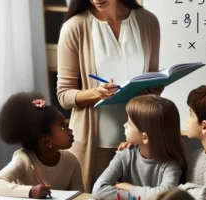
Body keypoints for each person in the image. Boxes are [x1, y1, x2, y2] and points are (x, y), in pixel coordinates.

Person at [56, 0, 162, 192]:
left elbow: (154, 77)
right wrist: (97, 93)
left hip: (141, 142)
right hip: (96, 146)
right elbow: (64, 94)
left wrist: (152, 88)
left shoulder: (148, 22)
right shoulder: (75, 26)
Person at [92, 95, 187, 200]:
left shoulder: (171, 165)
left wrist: (129, 188)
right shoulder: (125, 154)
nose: (124, 125)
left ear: (144, 137)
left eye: (130, 123)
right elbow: (98, 189)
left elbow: (165, 195)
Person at [0, 92, 83, 198]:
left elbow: (79, 196)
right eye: (63, 127)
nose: (70, 130)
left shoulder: (71, 161)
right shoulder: (23, 159)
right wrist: (30, 191)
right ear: (46, 141)